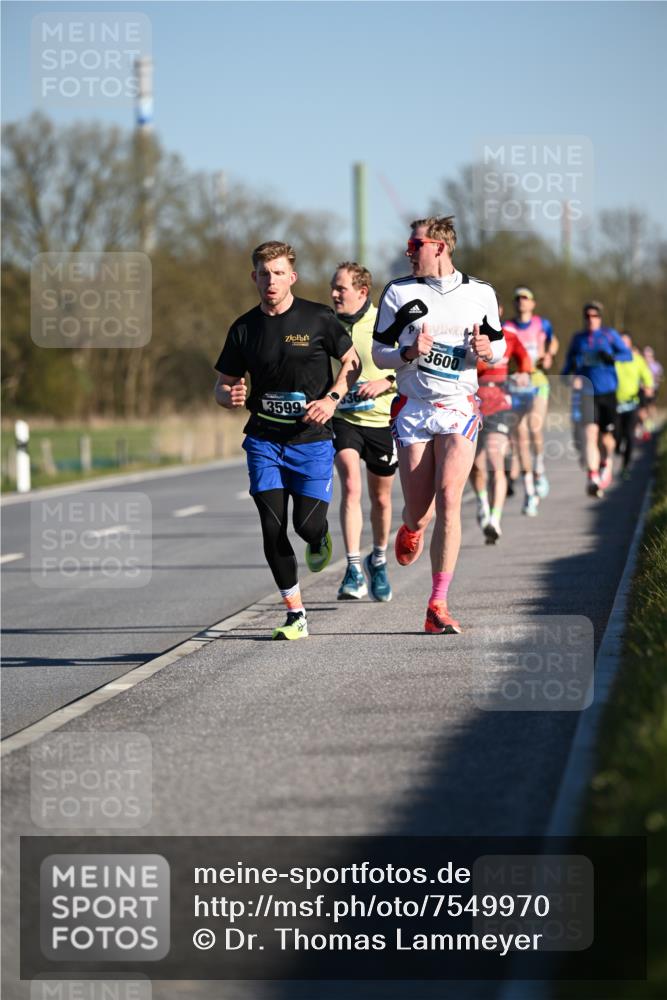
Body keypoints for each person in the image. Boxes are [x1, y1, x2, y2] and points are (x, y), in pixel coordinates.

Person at [214, 241, 360, 639]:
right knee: (272, 526)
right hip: (264, 440)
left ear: (292, 277)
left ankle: (320, 536)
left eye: (278, 273)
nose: (271, 281)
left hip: (311, 440)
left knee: (307, 526)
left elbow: (353, 362)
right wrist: (228, 396)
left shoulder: (318, 318)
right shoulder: (244, 328)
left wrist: (331, 399)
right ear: (254, 277)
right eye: (264, 274)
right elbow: (223, 385)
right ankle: (296, 613)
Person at [372, 216, 505, 634]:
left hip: (459, 406)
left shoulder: (480, 293)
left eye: (416, 246)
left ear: (440, 247)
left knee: (450, 498)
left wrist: (488, 350)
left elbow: (499, 345)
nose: (408, 252)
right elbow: (378, 352)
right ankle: (412, 526)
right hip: (414, 409)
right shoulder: (399, 292)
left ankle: (437, 604)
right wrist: (408, 352)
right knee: (420, 510)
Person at [330, 263, 397, 601]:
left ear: (362, 292)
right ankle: (354, 568)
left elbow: (411, 362)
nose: (333, 294)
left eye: (340, 288)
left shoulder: (385, 322)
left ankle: (379, 559)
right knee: (351, 485)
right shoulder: (328, 324)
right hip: (345, 419)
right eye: (333, 287)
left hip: (383, 421)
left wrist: (387, 381)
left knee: (381, 499)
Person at [560, 300, 632, 497]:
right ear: (584, 318)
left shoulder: (609, 335)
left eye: (595, 316)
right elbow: (567, 366)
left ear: (600, 318)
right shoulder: (578, 339)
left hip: (607, 393)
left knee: (607, 439)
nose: (591, 319)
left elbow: (627, 355)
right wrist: (568, 378)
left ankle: (606, 462)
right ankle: (592, 477)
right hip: (587, 393)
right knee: (590, 433)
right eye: (588, 316)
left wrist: (612, 358)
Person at [472, 326, 532, 542]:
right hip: (471, 404)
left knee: (495, 460)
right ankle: (482, 503)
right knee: (476, 467)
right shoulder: (467, 333)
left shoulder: (510, 337)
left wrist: (524, 373)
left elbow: (524, 359)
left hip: (499, 404)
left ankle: (495, 520)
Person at [502, 287, 559, 515]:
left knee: (534, 426)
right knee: (520, 438)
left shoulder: (542, 323)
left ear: (532, 303)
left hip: (537, 381)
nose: (521, 302)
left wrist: (550, 354)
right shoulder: (507, 326)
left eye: (525, 298)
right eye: (517, 299)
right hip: (515, 384)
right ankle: (529, 492)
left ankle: (539, 469)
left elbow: (553, 341)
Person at [614, 333, 654, 478]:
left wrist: (648, 387)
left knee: (629, 435)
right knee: (617, 435)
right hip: (615, 403)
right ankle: (617, 448)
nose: (623, 345)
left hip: (632, 403)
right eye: (621, 342)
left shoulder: (637, 360)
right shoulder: (612, 359)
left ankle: (626, 466)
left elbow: (647, 376)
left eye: (626, 342)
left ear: (630, 344)